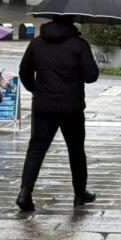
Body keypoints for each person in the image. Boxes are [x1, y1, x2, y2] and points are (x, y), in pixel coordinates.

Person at [16, 16, 99, 212]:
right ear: (72, 22)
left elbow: (23, 72)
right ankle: (80, 193)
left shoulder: (36, 44)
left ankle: (25, 192)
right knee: (76, 150)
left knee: (36, 149)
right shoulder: (79, 45)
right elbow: (91, 76)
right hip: (72, 107)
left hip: (43, 107)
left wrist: (37, 90)